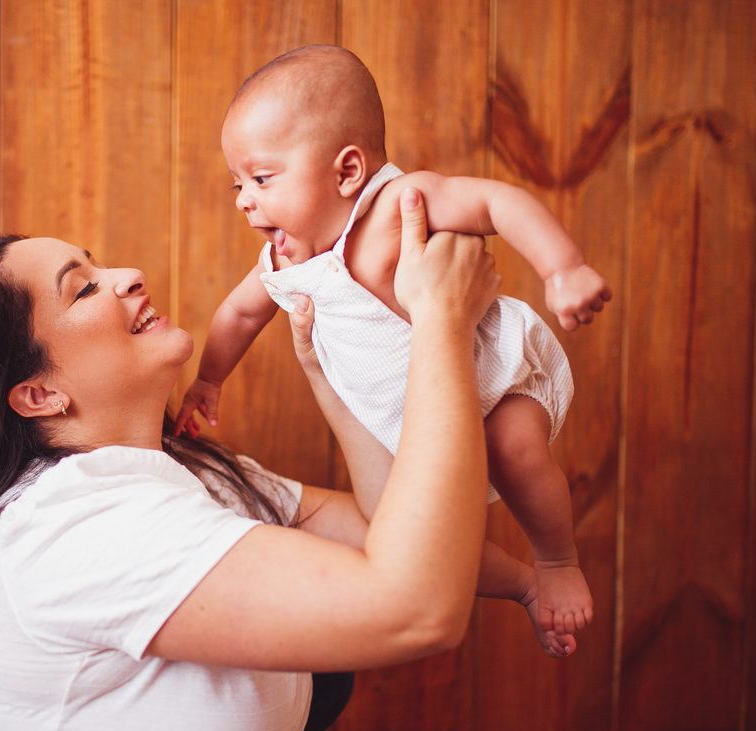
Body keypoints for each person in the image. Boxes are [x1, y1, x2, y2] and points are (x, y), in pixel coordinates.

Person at [0, 190, 562, 731]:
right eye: (83, 289)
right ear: (40, 394)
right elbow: (419, 607)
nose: (128, 275)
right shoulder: (69, 524)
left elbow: (390, 532)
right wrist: (442, 325)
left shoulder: (191, 475)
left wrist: (330, 381)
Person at [175, 45, 612, 639]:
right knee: (402, 531)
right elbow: (239, 314)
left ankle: (556, 561)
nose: (243, 199)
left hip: (493, 380)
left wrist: (562, 267)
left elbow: (495, 202)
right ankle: (522, 585)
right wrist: (209, 379)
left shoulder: (397, 204)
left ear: (347, 171)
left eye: (261, 178)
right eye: (238, 183)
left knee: (515, 450)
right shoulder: (285, 261)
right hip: (406, 425)